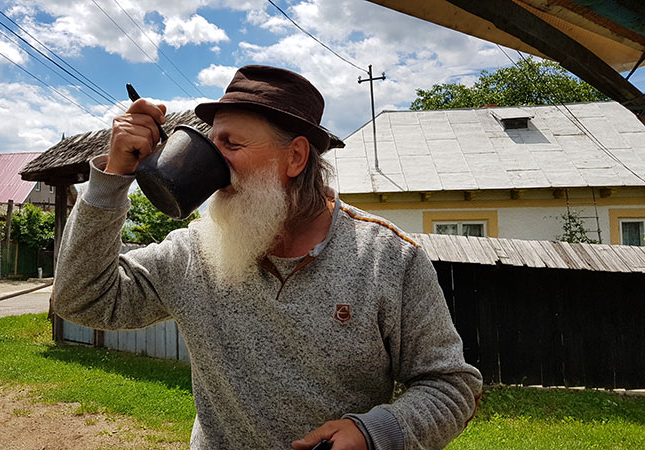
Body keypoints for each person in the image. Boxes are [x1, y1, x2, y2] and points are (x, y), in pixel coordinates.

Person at [53, 65, 482, 450]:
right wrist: (111, 178)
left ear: (294, 157)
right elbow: (82, 299)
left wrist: (374, 433)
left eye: (230, 144)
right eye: (210, 142)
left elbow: (450, 385)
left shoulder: (386, 258)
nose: (212, 163)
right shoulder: (196, 252)